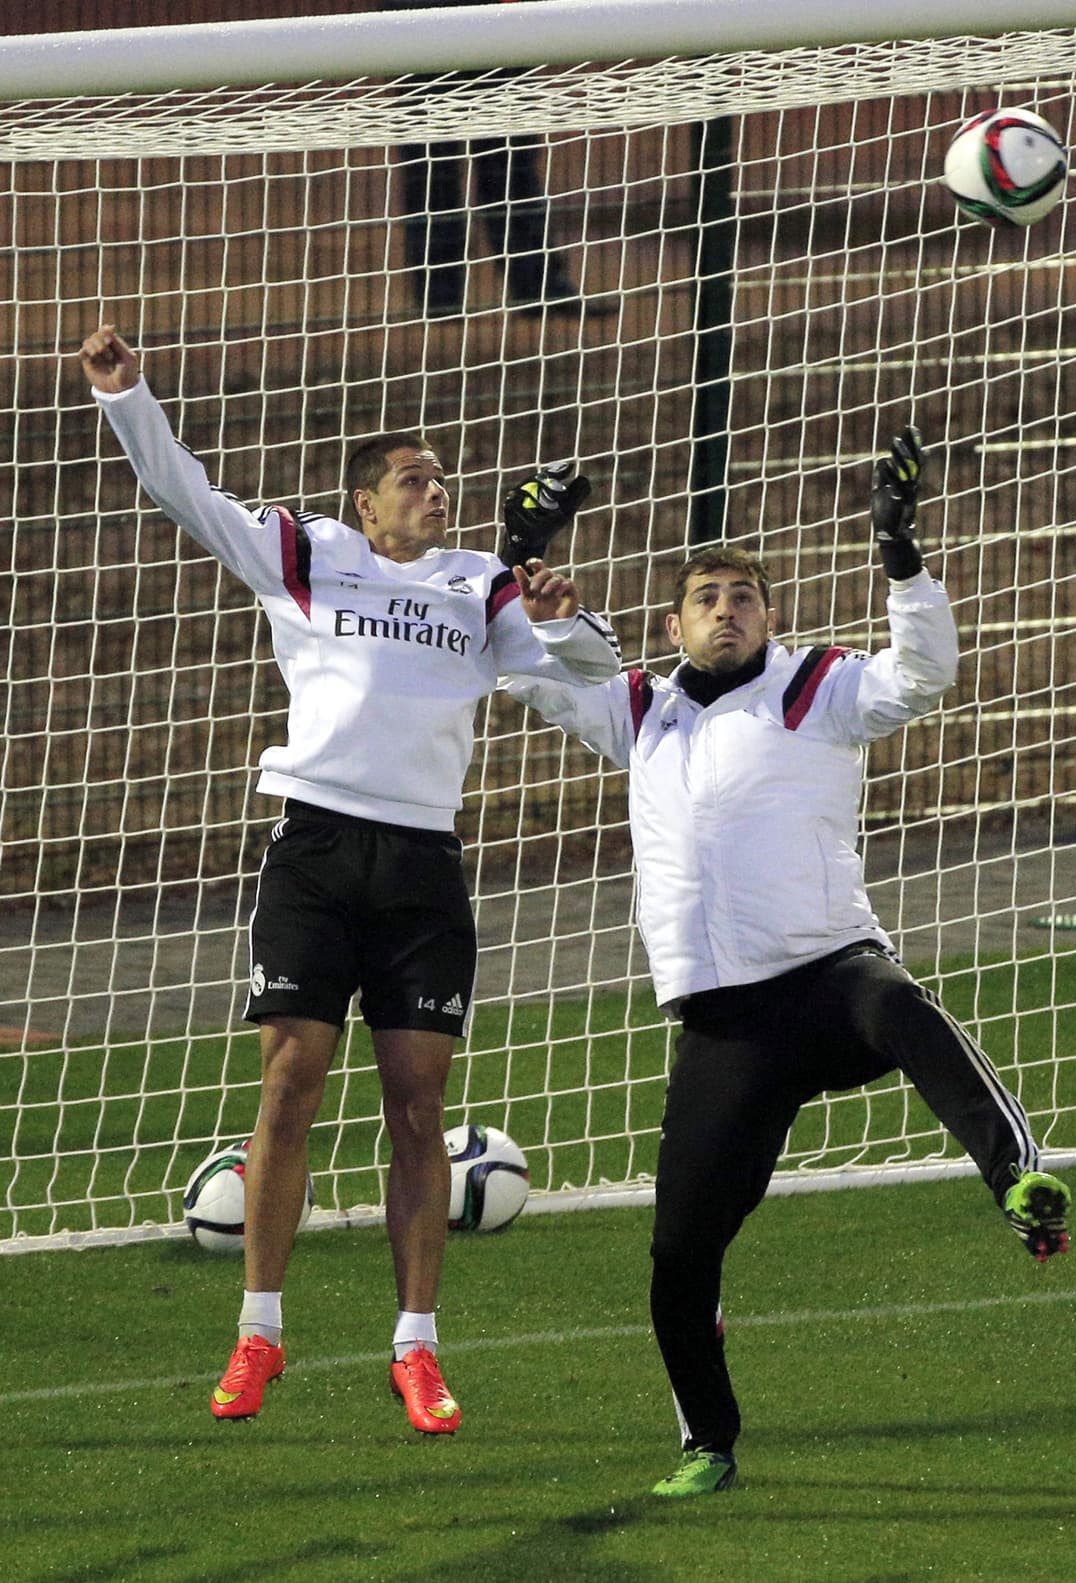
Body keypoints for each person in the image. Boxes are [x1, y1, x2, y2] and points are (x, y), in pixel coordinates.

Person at [504, 427, 1072, 1499]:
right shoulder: (636, 709)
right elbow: (539, 667)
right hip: (723, 1026)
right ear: (671, 623)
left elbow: (922, 675)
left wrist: (900, 556)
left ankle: (1016, 1176)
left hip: (827, 975)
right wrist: (518, 561)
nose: (728, 608)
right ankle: (706, 1442)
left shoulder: (814, 685)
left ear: (769, 615)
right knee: (679, 1260)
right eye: (707, 596)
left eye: (745, 596)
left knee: (898, 1003)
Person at [78, 323, 619, 1434]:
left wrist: (566, 621)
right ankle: (259, 1334)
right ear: (365, 503)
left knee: (418, 1108)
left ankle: (415, 1349)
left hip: (424, 863)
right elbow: (186, 495)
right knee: (290, 1085)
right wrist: (129, 395)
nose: (435, 491)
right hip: (317, 849)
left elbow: (587, 684)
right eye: (413, 478)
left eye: (442, 479)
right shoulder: (306, 552)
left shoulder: (484, 585)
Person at [391, 0, 613, 320]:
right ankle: (439, 297)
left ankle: (539, 286)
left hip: (497, 26)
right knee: (432, 169)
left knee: (511, 164)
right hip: (423, 24)